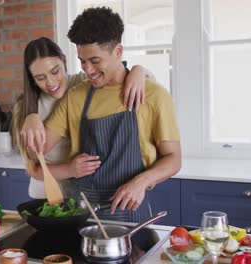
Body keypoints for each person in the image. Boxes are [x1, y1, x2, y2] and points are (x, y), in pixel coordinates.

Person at [22, 7, 181, 222]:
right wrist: (30, 117)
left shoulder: (154, 95)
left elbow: (173, 158)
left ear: (118, 51)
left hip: (131, 213)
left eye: (95, 61)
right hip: (82, 215)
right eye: (82, 61)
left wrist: (141, 182)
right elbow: (35, 153)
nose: (88, 70)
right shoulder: (76, 96)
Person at [13, 37, 156, 200]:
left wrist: (138, 71)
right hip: (44, 196)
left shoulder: (84, 83)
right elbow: (33, 169)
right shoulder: (25, 107)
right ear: (32, 78)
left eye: (55, 71)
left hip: (83, 196)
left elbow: (149, 81)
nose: (51, 82)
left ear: (64, 61)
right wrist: (70, 169)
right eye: (40, 78)